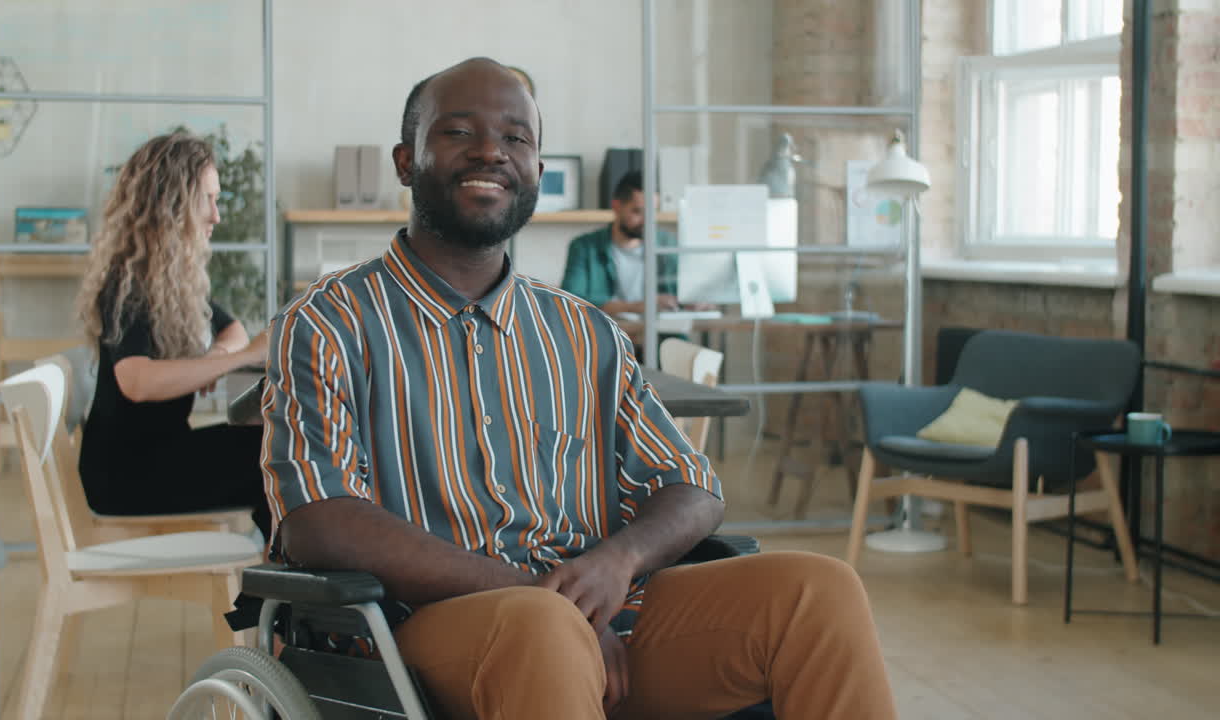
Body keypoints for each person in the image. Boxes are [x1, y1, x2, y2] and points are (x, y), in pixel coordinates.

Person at [261, 58, 896, 719]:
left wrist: (619, 561)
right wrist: (543, 596)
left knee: (818, 591)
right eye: (459, 132)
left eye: (515, 137)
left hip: (606, 624)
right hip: (418, 640)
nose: (490, 151)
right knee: (541, 627)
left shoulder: (586, 333)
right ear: (405, 161)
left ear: (536, 170)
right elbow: (318, 520)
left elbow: (692, 484)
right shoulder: (329, 322)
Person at [76, 132, 271, 538]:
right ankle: (285, 574)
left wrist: (214, 358)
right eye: (208, 200)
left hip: (156, 455)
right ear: (172, 205)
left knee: (276, 446)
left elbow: (232, 329)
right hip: (126, 475)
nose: (216, 216)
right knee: (277, 456)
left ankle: (282, 571)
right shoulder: (127, 283)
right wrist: (239, 359)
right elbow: (136, 382)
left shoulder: (170, 280)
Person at [561, 169, 683, 316]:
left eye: (652, 212)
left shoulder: (668, 245)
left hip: (660, 330)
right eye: (638, 212)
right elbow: (570, 302)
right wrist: (636, 307)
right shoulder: (584, 247)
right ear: (617, 206)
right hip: (604, 330)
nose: (647, 221)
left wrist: (694, 300)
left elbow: (684, 292)